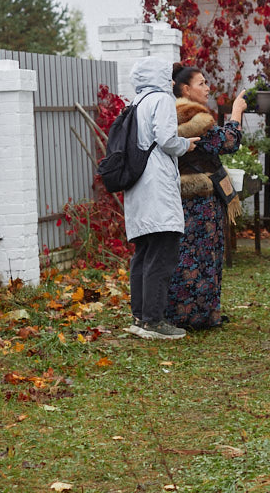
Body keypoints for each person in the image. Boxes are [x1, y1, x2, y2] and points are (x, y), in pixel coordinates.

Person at [123, 56, 199, 340]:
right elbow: (167, 140)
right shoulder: (162, 100)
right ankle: (154, 321)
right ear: (159, 76)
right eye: (167, 74)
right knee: (162, 255)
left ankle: (140, 318)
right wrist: (186, 145)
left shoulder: (137, 102)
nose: (171, 80)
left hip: (138, 185)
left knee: (143, 254)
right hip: (157, 186)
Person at [166, 63, 247, 329]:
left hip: (183, 196)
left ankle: (191, 314)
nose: (207, 87)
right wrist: (236, 113)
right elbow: (227, 142)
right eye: (201, 83)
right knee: (201, 256)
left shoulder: (170, 113)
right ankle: (198, 316)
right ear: (186, 89)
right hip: (198, 197)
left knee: (189, 256)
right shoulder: (193, 116)